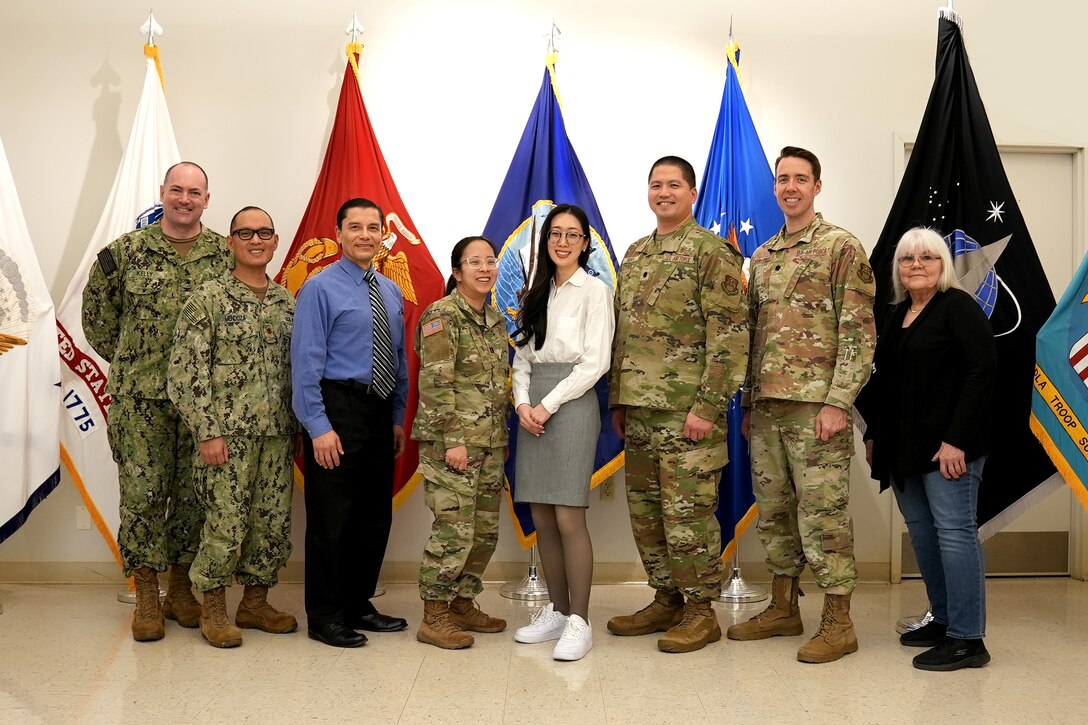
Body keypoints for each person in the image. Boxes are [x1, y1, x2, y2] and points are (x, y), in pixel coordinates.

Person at [729, 146, 876, 664]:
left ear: (817, 185)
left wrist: (839, 402)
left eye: (800, 178)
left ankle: (839, 622)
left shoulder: (841, 247)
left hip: (817, 409)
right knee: (774, 513)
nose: (790, 187)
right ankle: (784, 607)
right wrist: (748, 402)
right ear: (775, 188)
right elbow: (753, 336)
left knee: (824, 514)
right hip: (767, 408)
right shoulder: (764, 256)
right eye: (783, 179)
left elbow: (859, 333)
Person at [82, 161, 230, 642]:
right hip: (140, 400)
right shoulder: (125, 253)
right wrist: (135, 362)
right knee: (144, 496)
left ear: (207, 200)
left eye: (195, 192)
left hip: (202, 404)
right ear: (162, 193)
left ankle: (182, 589)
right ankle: (146, 592)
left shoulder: (226, 257)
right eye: (176, 190)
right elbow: (98, 321)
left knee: (193, 497)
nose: (185, 199)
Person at [607, 156, 748, 654]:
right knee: (646, 515)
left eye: (674, 185)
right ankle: (666, 598)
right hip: (641, 413)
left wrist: (707, 408)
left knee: (688, 517)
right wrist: (619, 400)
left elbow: (729, 336)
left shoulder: (713, 253)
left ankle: (701, 611)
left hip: (687, 413)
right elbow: (627, 332)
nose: (663, 192)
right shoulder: (636, 252)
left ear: (692, 194)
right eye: (655, 184)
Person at [856, 227, 996, 671]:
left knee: (955, 535)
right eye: (907, 258)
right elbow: (886, 385)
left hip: (949, 448)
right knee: (922, 533)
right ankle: (944, 619)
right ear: (897, 269)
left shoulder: (958, 308)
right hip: (904, 450)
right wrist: (875, 434)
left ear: (943, 265)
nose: (916, 264)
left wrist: (955, 439)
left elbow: (981, 374)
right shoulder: (897, 315)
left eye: (927, 257)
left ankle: (968, 639)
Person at [167, 206, 298, 648]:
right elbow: (186, 372)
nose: (255, 240)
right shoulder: (208, 298)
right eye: (246, 233)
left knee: (272, 522)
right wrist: (207, 431)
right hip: (228, 436)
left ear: (275, 241)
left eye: (264, 232)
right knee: (225, 522)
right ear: (230, 242)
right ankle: (214, 608)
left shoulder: (286, 302)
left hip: (278, 433)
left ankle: (255, 602)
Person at [291, 197, 409, 648]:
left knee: (373, 517)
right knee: (331, 519)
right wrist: (318, 427)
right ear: (338, 234)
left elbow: (397, 359)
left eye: (373, 227)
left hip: (378, 412)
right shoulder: (320, 288)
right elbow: (305, 363)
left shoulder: (390, 290)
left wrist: (396, 417)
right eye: (355, 227)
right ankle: (325, 614)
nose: (365, 235)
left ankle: (360, 604)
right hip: (336, 408)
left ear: (383, 234)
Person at [510, 204, 614, 662]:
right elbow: (521, 359)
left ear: (585, 243)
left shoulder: (594, 291)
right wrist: (521, 405)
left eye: (573, 234)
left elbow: (595, 363)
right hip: (533, 403)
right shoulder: (537, 292)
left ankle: (580, 620)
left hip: (571, 403)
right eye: (556, 233)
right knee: (543, 517)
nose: (563, 241)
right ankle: (555, 609)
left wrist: (546, 406)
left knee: (569, 516)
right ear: (547, 240)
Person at [412, 236, 510, 650]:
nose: (485, 268)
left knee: (484, 532)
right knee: (454, 531)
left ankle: (462, 602)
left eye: (490, 261)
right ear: (457, 271)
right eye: (475, 262)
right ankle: (434, 615)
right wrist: (454, 440)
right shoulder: (442, 315)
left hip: (490, 444)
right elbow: (435, 382)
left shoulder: (496, 320)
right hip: (452, 446)